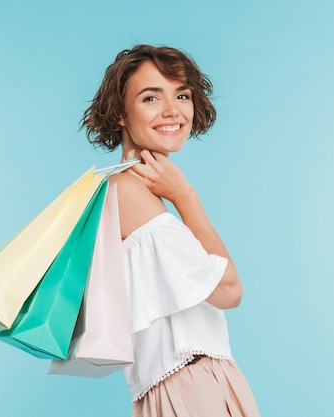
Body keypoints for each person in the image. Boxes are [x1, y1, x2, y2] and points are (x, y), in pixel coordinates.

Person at [82, 44, 261, 417]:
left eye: (182, 95)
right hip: (191, 387)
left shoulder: (125, 190)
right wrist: (185, 196)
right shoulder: (128, 191)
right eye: (151, 97)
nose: (173, 111)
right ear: (119, 113)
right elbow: (229, 291)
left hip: (184, 385)